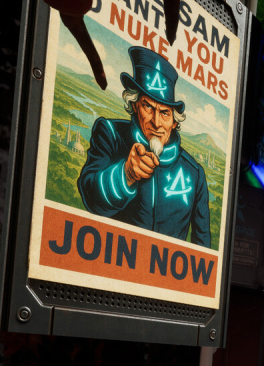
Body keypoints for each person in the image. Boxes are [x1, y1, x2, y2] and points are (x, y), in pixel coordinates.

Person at [78, 47, 211, 246]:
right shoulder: (110, 134)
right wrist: (126, 175)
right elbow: (91, 199)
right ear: (134, 105)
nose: (157, 123)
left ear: (174, 121)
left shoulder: (194, 172)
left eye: (165, 113)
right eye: (148, 106)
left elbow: (202, 245)